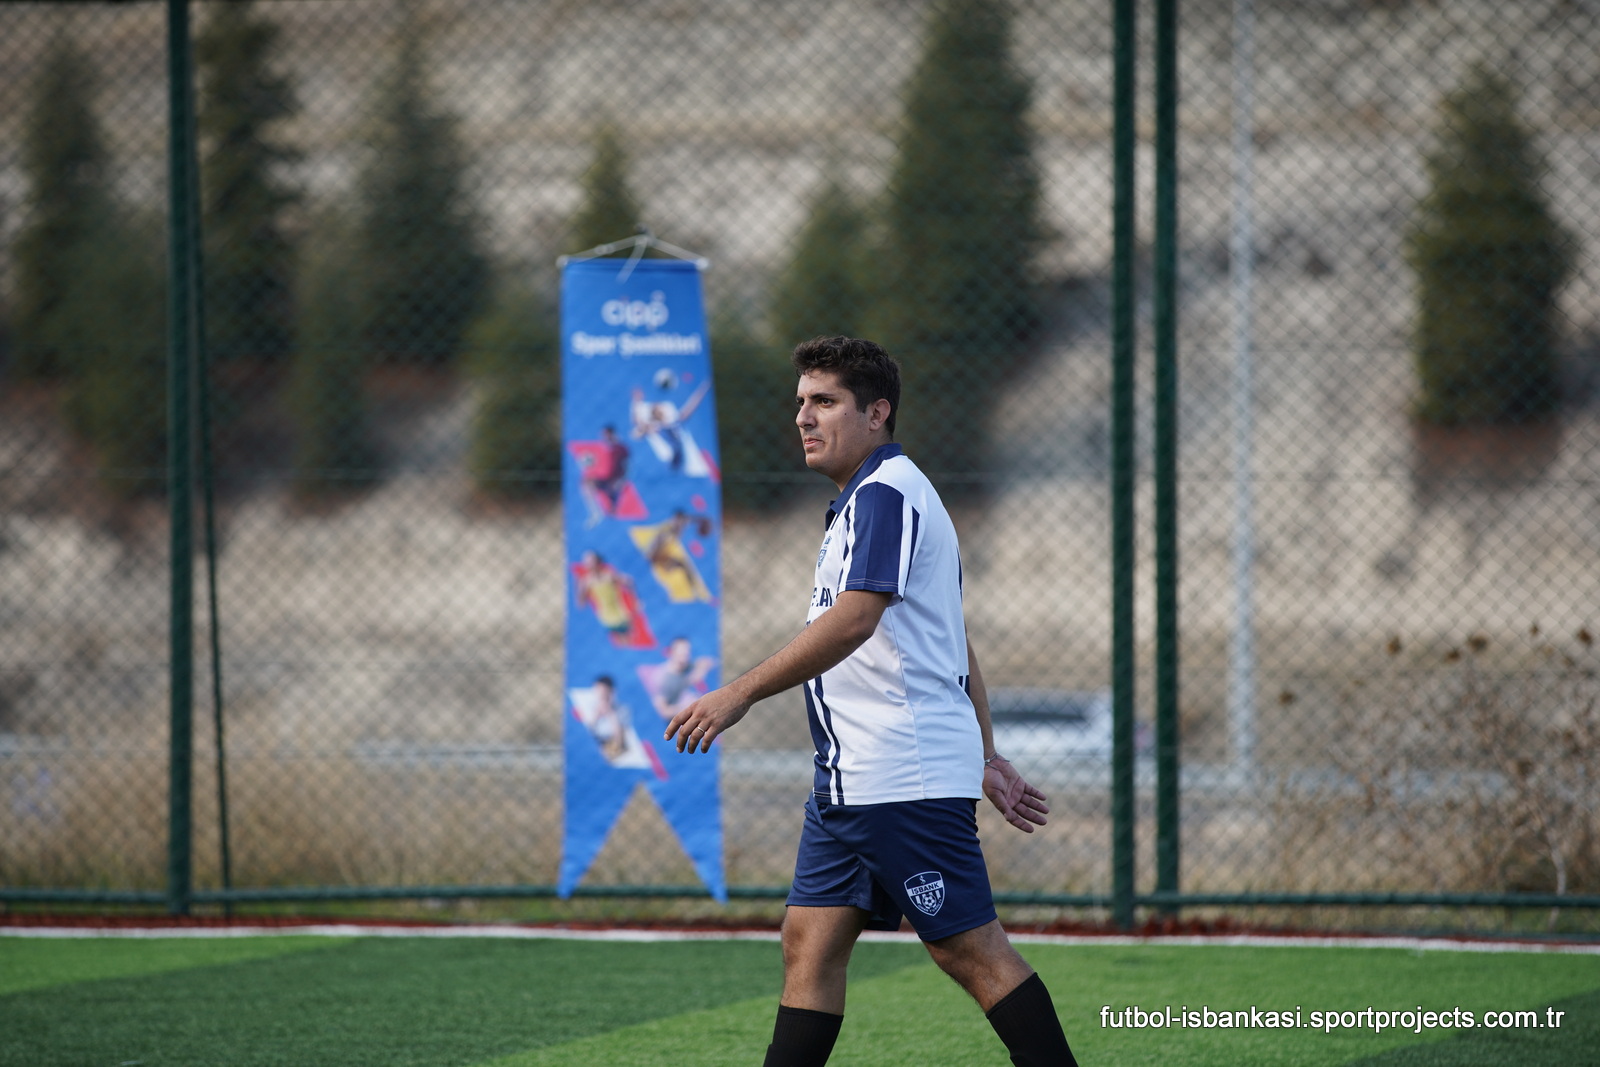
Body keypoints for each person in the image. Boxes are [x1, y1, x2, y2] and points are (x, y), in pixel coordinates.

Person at [665, 336, 1078, 1066]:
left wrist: (740, 692)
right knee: (809, 944)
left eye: (825, 401)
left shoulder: (888, 492)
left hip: (898, 777)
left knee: (971, 951)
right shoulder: (862, 500)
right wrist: (986, 755)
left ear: (877, 413)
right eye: (801, 401)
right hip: (850, 780)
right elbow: (952, 639)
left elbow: (856, 619)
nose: (804, 417)